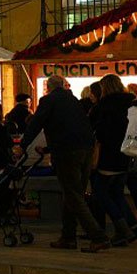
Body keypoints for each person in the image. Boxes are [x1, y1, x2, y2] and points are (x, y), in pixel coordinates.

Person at [23, 75, 109, 252]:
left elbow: (36, 123)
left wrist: (22, 145)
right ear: (63, 85)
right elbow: (73, 128)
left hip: (66, 153)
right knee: (73, 193)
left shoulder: (48, 100)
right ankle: (68, 237)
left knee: (73, 195)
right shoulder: (74, 100)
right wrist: (47, 150)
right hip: (86, 149)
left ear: (48, 88)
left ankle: (97, 236)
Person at [89, 74, 137, 246]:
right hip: (128, 152)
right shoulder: (132, 102)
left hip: (109, 154)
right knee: (117, 191)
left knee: (100, 191)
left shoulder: (105, 105)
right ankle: (132, 226)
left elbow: (101, 130)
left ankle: (123, 227)